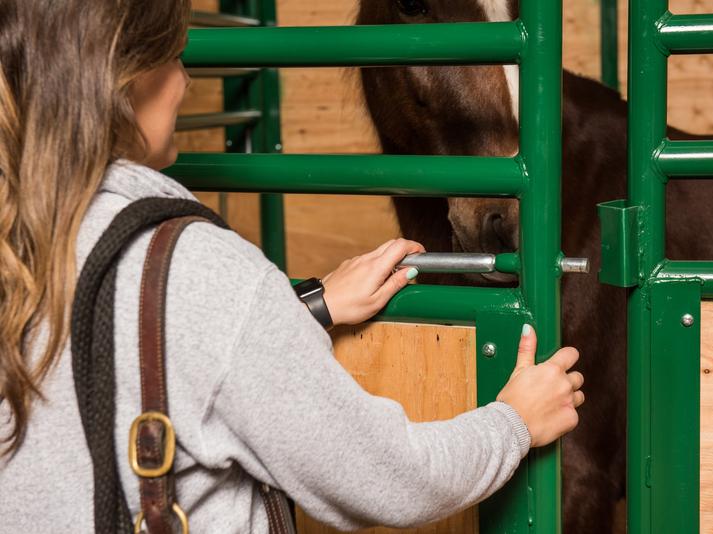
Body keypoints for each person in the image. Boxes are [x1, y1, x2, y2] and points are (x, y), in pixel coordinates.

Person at [0, 1, 584, 531]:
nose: (185, 80)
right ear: (127, 80)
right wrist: (514, 421)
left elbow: (158, 349)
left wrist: (306, 306)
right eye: (175, 58)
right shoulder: (198, 270)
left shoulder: (21, 236)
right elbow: (387, 479)